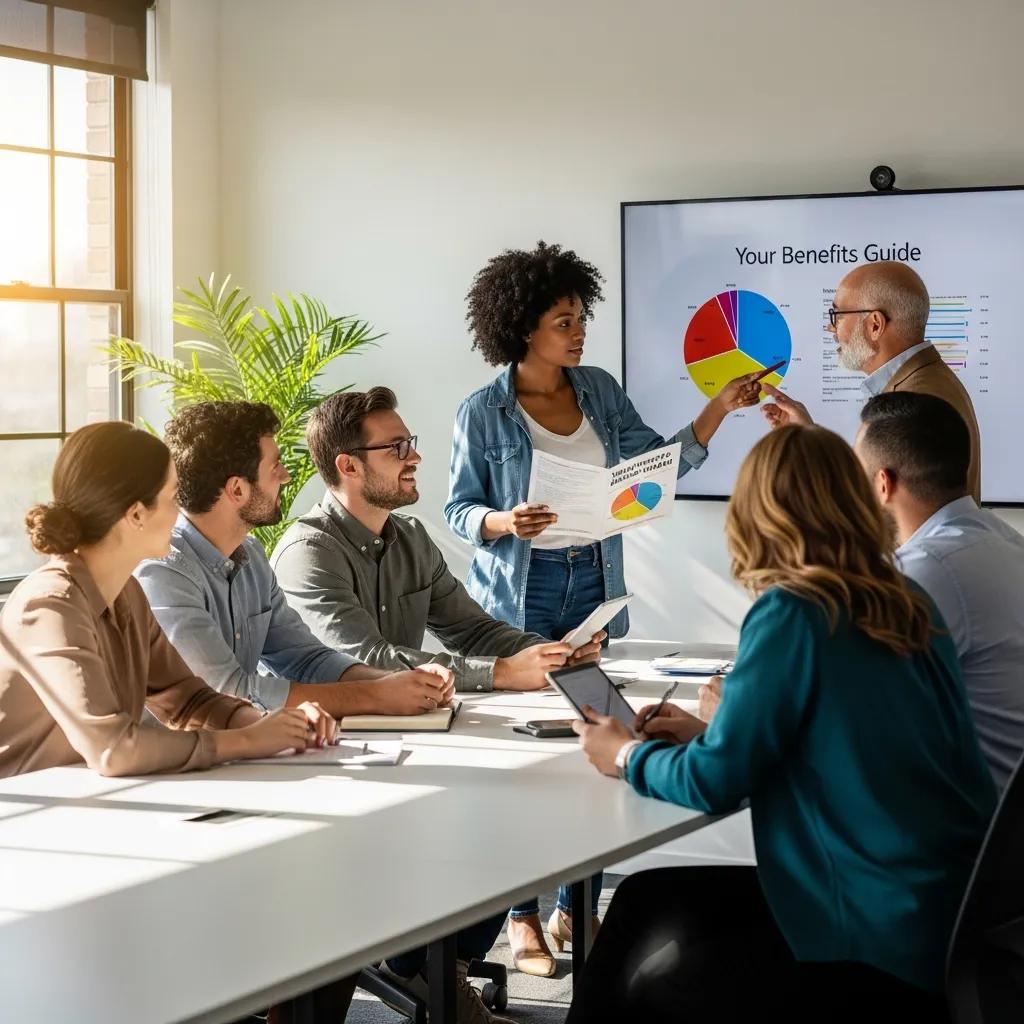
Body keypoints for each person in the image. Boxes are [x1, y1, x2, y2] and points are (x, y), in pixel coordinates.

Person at [569, 424, 995, 1023]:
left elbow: (715, 782)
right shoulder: (903, 602)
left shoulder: (794, 612)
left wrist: (623, 755)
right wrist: (708, 734)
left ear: (757, 513)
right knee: (643, 896)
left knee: (644, 989)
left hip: (864, 936)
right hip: (937, 915)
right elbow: (833, 735)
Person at [445, 241, 764, 975]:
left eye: (581, 317)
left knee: (596, 730)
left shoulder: (599, 390)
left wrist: (717, 409)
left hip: (593, 577)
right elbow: (459, 507)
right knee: (533, 752)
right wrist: (501, 522)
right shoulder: (483, 412)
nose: (580, 331)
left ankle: (575, 903)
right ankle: (521, 918)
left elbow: (657, 463)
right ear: (525, 327)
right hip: (522, 590)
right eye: (565, 320)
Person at [0, 422, 335, 778]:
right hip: (23, 817)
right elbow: (115, 750)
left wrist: (277, 725)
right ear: (136, 515)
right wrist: (249, 740)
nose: (181, 514)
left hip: (93, 804)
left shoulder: (126, 593)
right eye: (173, 498)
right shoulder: (50, 605)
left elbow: (188, 699)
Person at [271, 387, 605, 696]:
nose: (414, 458)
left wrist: (552, 654)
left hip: (402, 723)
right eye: (397, 447)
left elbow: (473, 631)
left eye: (410, 443)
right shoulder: (309, 553)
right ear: (348, 466)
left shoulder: (412, 537)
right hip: (326, 740)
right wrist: (501, 673)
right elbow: (367, 661)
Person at [135, 401, 456, 720]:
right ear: (237, 489)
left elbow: (305, 658)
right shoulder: (163, 572)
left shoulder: (252, 559)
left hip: (242, 753)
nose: (286, 476)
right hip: (173, 763)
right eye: (275, 468)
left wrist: (397, 681)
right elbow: (225, 693)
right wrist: (376, 695)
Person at [855, 390, 1024, 791]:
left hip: (968, 837)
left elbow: (856, 715)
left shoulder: (926, 570)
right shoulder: (1005, 542)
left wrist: (734, 720)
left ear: (883, 485)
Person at [762, 259, 982, 500]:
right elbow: (874, 489)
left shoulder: (914, 404)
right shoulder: (927, 381)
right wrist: (809, 436)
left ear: (875, 325)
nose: (831, 328)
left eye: (837, 315)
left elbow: (870, 512)